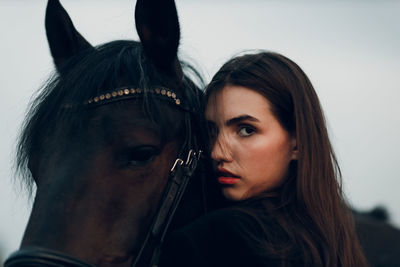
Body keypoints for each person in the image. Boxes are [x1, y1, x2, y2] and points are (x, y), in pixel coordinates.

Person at [159, 51, 368, 267]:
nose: (217, 153)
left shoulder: (211, 240)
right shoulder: (332, 242)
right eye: (212, 131)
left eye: (246, 130)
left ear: (297, 141)